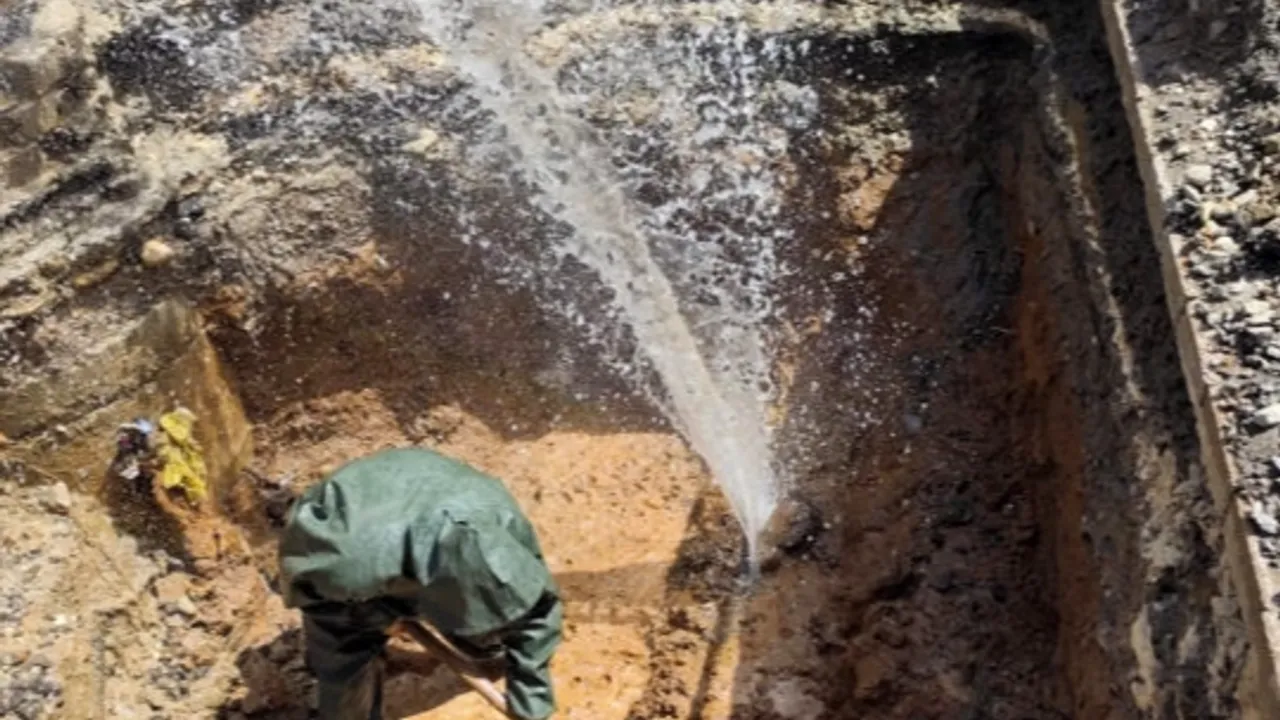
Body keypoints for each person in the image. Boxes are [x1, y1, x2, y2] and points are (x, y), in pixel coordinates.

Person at [278, 447, 562, 720]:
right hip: (357, 538)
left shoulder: (501, 528)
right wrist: (377, 618)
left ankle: (483, 641)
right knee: (342, 665)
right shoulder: (343, 561)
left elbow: (538, 611)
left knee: (499, 625)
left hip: (429, 500)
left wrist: (532, 704)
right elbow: (312, 594)